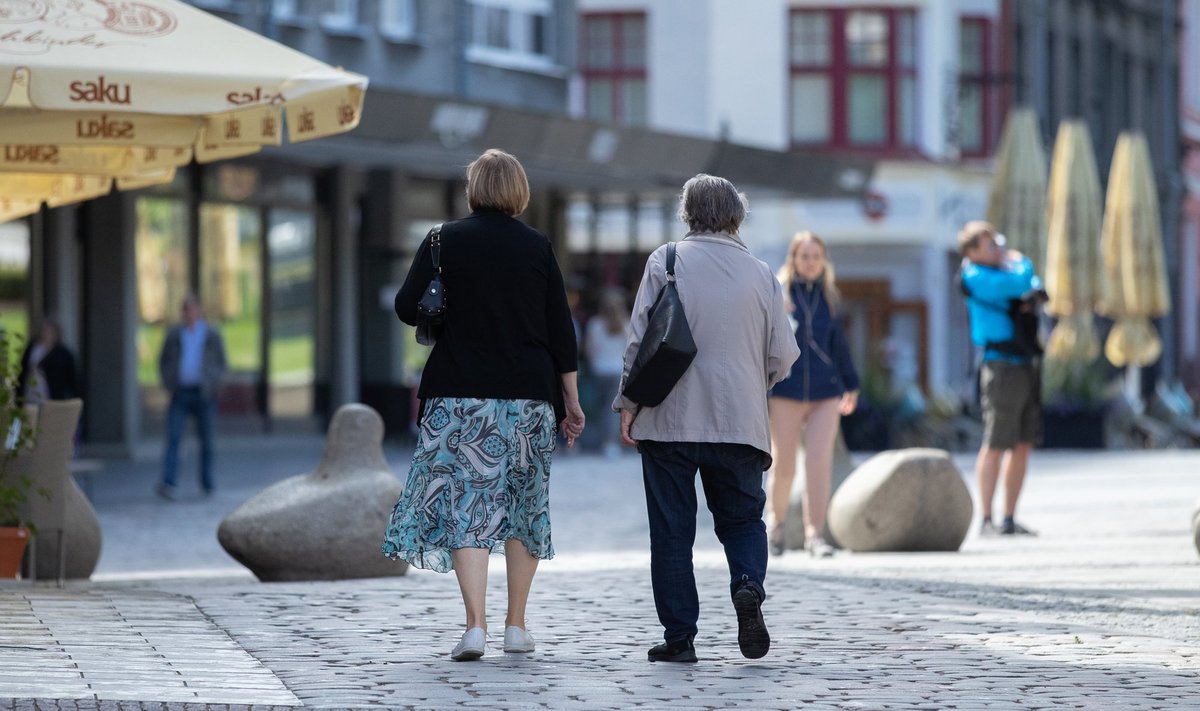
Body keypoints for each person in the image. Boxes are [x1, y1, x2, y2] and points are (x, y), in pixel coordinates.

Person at [382, 148, 586, 662]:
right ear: (518, 191)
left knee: (463, 507)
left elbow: (408, 307)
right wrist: (572, 401)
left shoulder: (441, 240)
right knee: (523, 507)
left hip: (458, 394)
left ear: (474, 189)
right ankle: (516, 625)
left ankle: (475, 626)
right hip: (528, 397)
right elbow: (562, 333)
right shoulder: (537, 247)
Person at [614, 174, 799, 663]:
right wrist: (753, 385)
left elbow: (638, 341)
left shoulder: (666, 261)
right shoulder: (761, 273)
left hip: (668, 418)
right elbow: (784, 354)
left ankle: (680, 639)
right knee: (742, 521)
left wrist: (627, 406)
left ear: (688, 212)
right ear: (737, 212)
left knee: (672, 531)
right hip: (741, 423)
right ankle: (747, 584)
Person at [766, 232, 859, 559]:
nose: (810, 262)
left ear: (824, 261)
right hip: (786, 390)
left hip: (825, 392)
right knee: (785, 465)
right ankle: (776, 526)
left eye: (816, 256)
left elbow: (840, 346)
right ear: (794, 259)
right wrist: (777, 304)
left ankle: (814, 535)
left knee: (819, 463)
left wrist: (851, 383)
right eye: (804, 256)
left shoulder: (830, 298)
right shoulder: (777, 292)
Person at [958, 220, 1046, 537]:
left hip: (1024, 361)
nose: (998, 249)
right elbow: (1022, 282)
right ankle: (985, 519)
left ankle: (1008, 518)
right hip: (1000, 366)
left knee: (1023, 443)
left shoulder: (996, 270)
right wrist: (1021, 261)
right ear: (971, 252)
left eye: (997, 243)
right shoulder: (974, 274)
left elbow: (1034, 287)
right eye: (990, 245)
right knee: (996, 442)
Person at [157, 294, 227, 500]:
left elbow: (221, 362)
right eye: (185, 309)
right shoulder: (175, 334)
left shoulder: (211, 334)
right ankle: (169, 482)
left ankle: (207, 483)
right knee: (174, 437)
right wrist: (169, 383)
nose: (189, 313)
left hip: (203, 393)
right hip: (180, 392)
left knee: (207, 440)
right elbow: (164, 361)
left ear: (199, 310)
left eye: (192, 309)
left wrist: (215, 383)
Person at [585, 289, 629, 459]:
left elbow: (589, 350)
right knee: (613, 408)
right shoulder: (626, 324)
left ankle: (601, 440)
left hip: (599, 370)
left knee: (601, 406)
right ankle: (611, 443)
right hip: (618, 370)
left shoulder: (595, 324)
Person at [18, 318, 79, 405]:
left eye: (50, 331)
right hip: (30, 389)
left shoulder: (62, 353)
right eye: (45, 330)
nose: (46, 334)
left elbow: (69, 377)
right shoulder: (32, 347)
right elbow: (22, 368)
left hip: (51, 393)